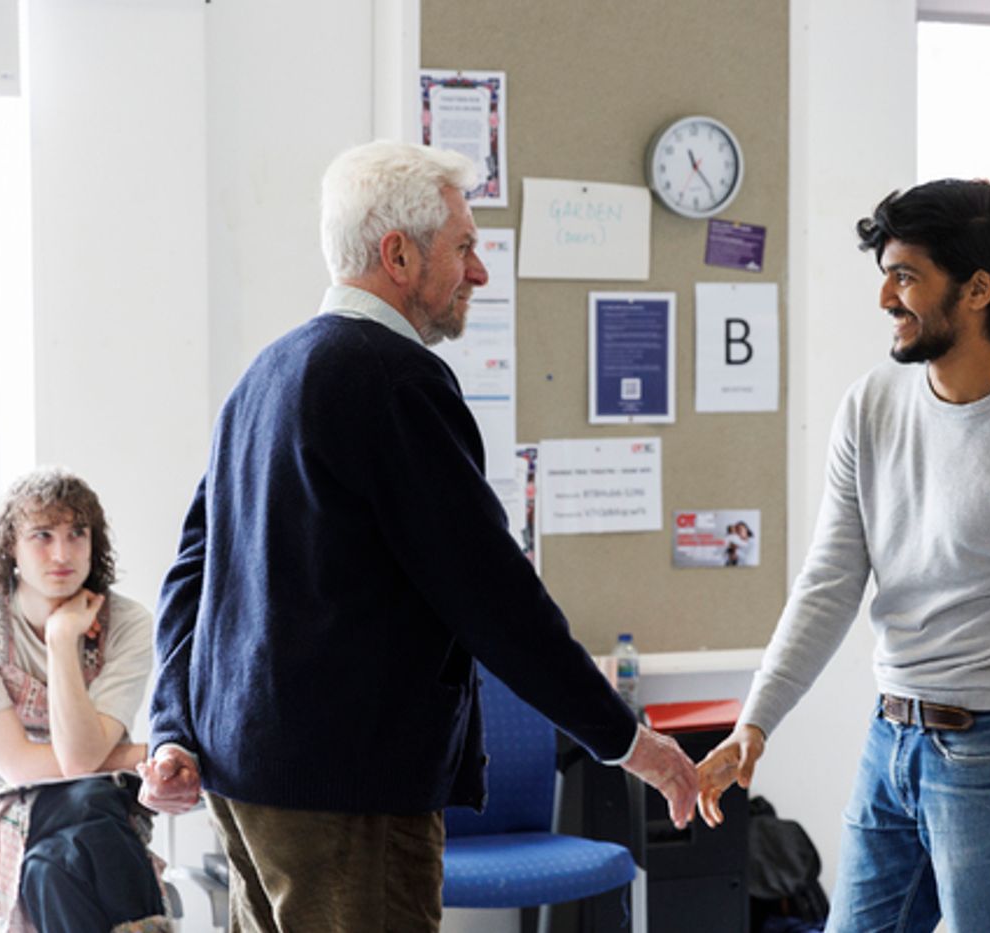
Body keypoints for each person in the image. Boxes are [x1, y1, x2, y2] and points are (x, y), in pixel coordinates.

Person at [137, 140, 697, 931]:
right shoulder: (392, 379)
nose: (479, 272)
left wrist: (173, 725)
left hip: (248, 780)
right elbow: (492, 595)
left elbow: (190, 573)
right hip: (347, 797)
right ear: (398, 254)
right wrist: (629, 742)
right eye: (464, 246)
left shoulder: (263, 375)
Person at [697, 180, 990, 933]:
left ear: (977, 289)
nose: (885, 297)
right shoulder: (871, 406)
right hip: (891, 737)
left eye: (905, 276)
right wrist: (756, 721)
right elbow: (829, 581)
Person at [0, 468, 168, 933]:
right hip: (6, 808)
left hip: (82, 818)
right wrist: (133, 755)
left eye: (77, 534)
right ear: (11, 544)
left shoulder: (127, 622)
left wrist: (61, 642)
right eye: (42, 535)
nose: (62, 553)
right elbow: (18, 767)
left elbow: (79, 758)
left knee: (49, 870)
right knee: (92, 794)